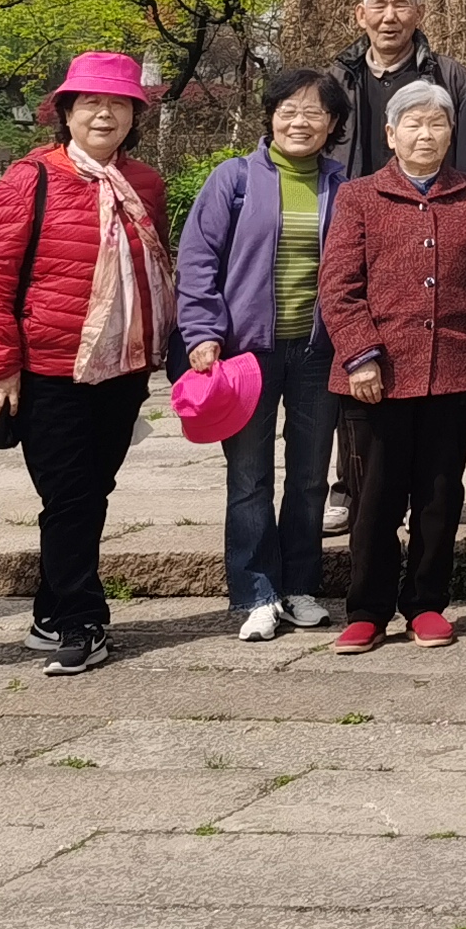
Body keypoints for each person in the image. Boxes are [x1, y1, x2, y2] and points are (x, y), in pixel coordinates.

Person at [0, 50, 174, 678]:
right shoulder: (28, 180)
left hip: (123, 368)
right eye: (91, 103)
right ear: (66, 112)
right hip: (48, 368)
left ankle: (49, 611)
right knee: (69, 495)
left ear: (134, 116)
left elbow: (158, 266)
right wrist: (0, 364)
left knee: (90, 490)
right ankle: (84, 620)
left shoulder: (145, 184)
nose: (104, 114)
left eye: (118, 104)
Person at [318, 78, 466, 653]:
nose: (426, 134)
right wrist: (360, 356)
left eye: (437, 124)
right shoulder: (359, 196)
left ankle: (427, 603)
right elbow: (339, 287)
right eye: (414, 123)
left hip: (455, 368)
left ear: (451, 133)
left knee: (439, 498)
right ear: (391, 134)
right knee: (374, 500)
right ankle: (368, 609)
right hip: (376, 377)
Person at [175, 67, 349, 640]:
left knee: (309, 477)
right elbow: (197, 260)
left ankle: (299, 587)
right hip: (246, 356)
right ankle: (256, 593)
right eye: (288, 111)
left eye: (314, 112)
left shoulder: (344, 186)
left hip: (318, 352)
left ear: (332, 124)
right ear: (270, 117)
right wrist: (202, 331)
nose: (300, 122)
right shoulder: (235, 179)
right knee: (249, 477)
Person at [327, 0, 466, 183]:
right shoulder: (338, 80)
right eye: (379, 6)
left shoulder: (449, 77)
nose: (389, 17)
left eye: (401, 5)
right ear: (361, 15)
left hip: (433, 199)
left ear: (419, 14)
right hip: (354, 199)